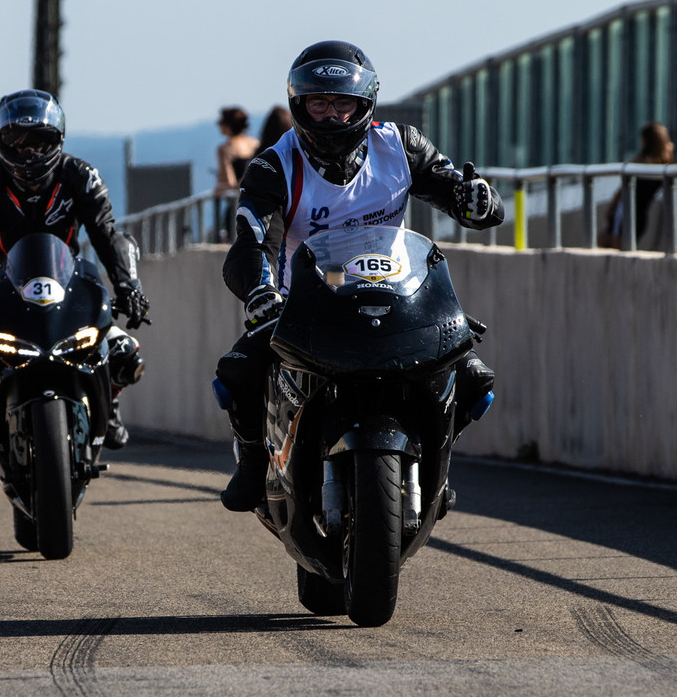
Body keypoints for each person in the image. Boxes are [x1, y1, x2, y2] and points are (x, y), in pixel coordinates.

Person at [215, 40, 504, 511]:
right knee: (238, 371)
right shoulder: (273, 164)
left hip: (397, 298)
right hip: (303, 305)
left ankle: (436, 467)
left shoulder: (402, 145)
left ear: (364, 104)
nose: (330, 117)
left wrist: (478, 201)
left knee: (473, 378)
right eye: (319, 103)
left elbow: (458, 193)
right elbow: (248, 246)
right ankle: (252, 464)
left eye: (342, 104)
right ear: (298, 105)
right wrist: (259, 293)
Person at [0, 89, 151, 448]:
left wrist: (129, 286)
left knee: (126, 353)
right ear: (1, 141)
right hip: (1, 284)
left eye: (40, 141)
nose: (29, 152)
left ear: (58, 140)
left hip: (71, 281)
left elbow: (108, 236)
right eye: (18, 142)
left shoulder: (82, 176)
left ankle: (109, 405)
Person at [599, 122, 673, 249]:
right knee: (614, 244)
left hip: (628, 212)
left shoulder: (640, 163)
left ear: (647, 140)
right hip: (638, 215)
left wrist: (612, 207)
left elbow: (623, 190)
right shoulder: (664, 165)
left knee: (610, 243)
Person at [215, 106, 260, 240]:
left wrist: (218, 189)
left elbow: (230, 182)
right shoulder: (255, 144)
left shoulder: (225, 149)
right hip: (259, 202)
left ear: (228, 125)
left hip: (238, 206)